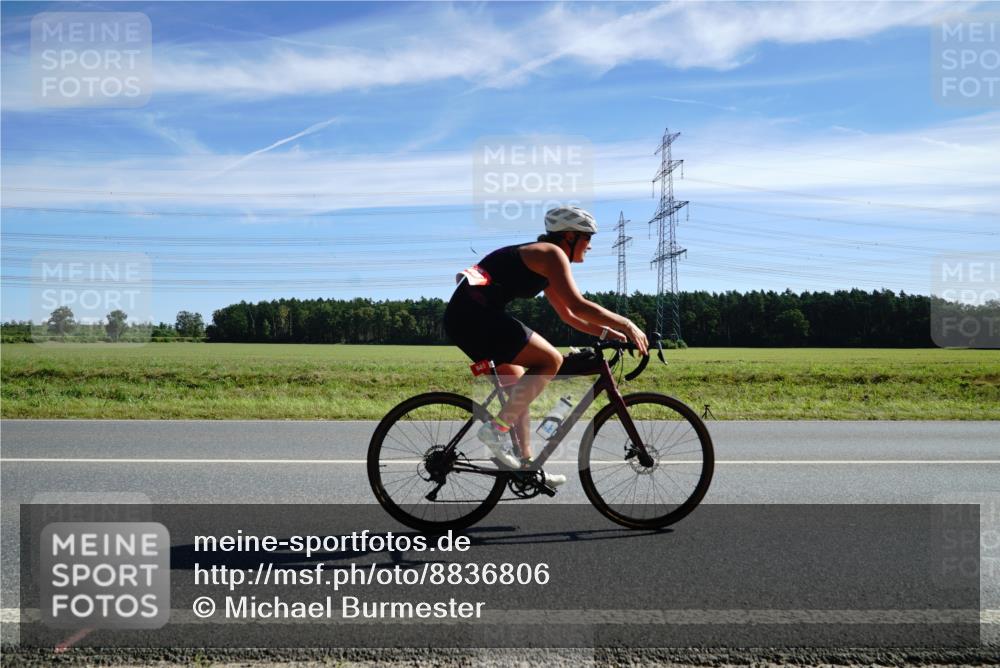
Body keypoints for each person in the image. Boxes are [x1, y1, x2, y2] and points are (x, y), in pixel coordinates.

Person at [443, 206, 649, 486]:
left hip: (467, 319)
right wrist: (627, 324)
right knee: (550, 360)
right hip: (476, 318)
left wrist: (607, 333)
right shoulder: (551, 255)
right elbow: (578, 304)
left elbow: (567, 314)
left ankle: (526, 468)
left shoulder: (544, 257)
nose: (589, 246)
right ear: (570, 236)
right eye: (587, 238)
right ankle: (494, 431)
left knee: (519, 391)